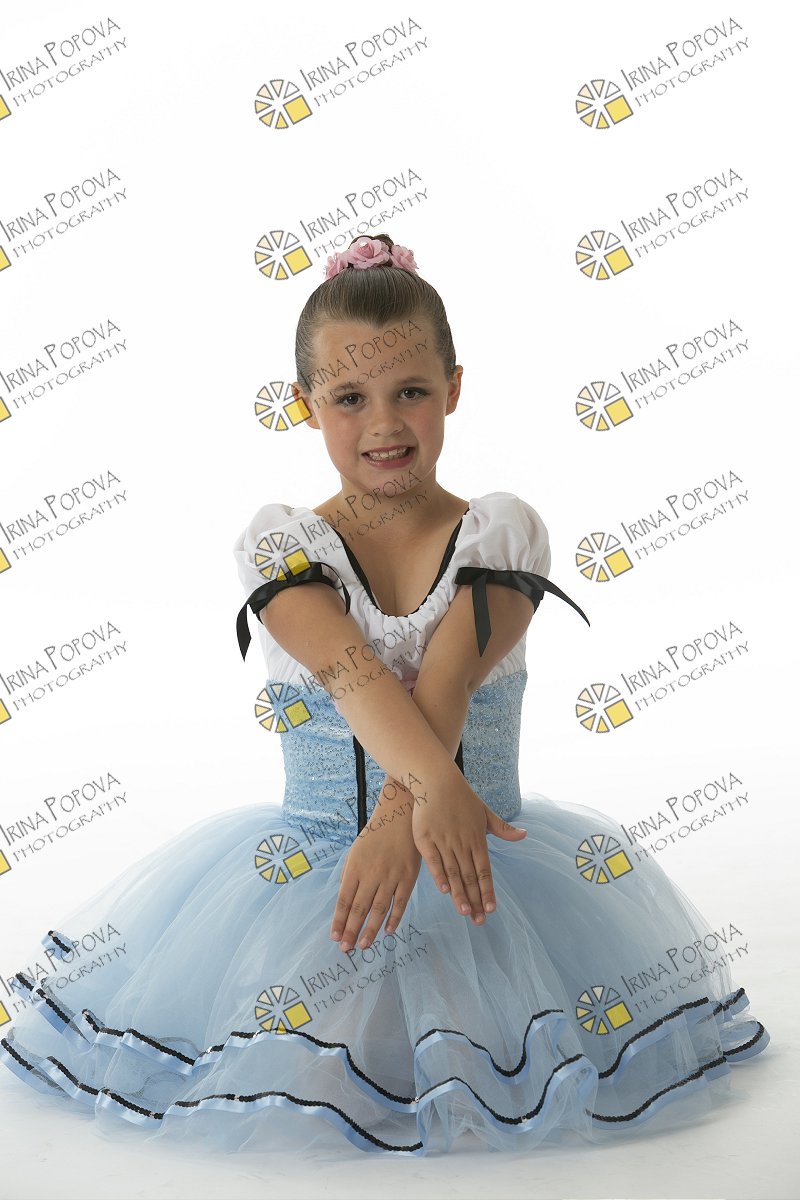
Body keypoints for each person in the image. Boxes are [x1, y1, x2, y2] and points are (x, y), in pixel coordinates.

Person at [0, 234, 769, 1159]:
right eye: (349, 398)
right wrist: (406, 812)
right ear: (304, 405)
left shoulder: (502, 533)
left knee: (487, 1028)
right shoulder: (283, 547)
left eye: (410, 391)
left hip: (484, 864)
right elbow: (352, 678)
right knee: (320, 1047)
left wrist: (405, 815)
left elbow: (446, 682)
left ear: (453, 387)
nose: (384, 424)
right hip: (323, 866)